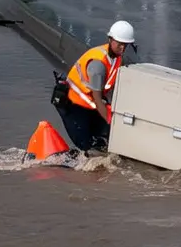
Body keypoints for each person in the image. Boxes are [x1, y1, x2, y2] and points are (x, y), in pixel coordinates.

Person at [56, 20, 135, 155]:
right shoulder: (98, 65)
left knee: (103, 141)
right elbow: (98, 100)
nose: (122, 48)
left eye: (125, 45)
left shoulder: (116, 58)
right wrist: (111, 122)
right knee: (87, 148)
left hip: (89, 104)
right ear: (110, 40)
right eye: (119, 44)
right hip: (73, 105)